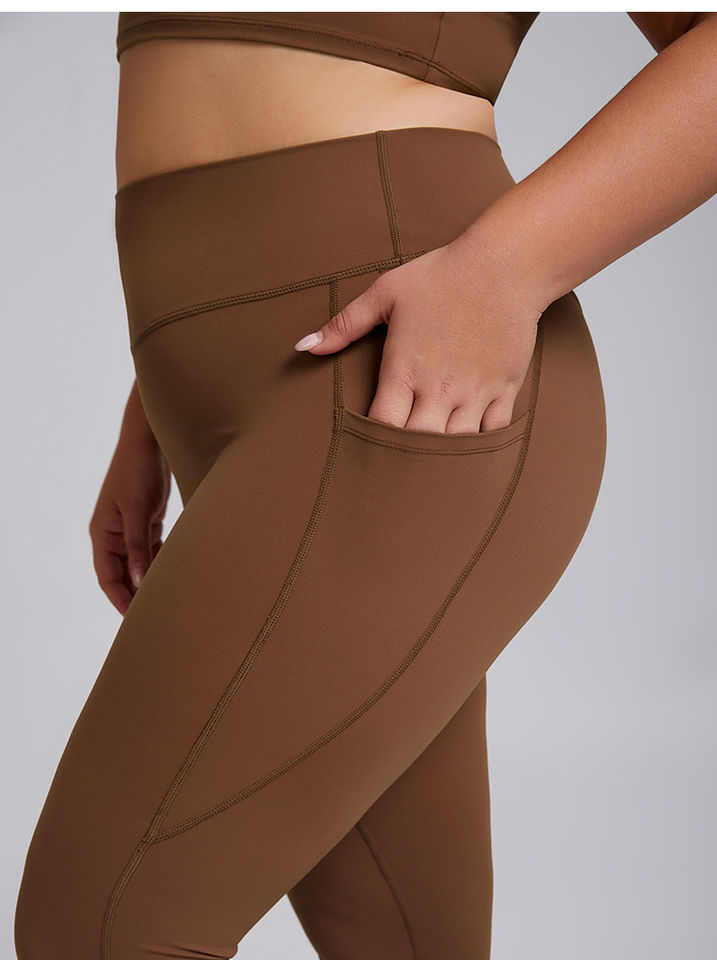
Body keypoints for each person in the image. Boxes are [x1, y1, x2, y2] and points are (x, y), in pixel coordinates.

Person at [14, 11, 717, 960]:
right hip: (256, 385)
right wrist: (156, 406)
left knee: (102, 926)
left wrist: (507, 266)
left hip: (408, 372)